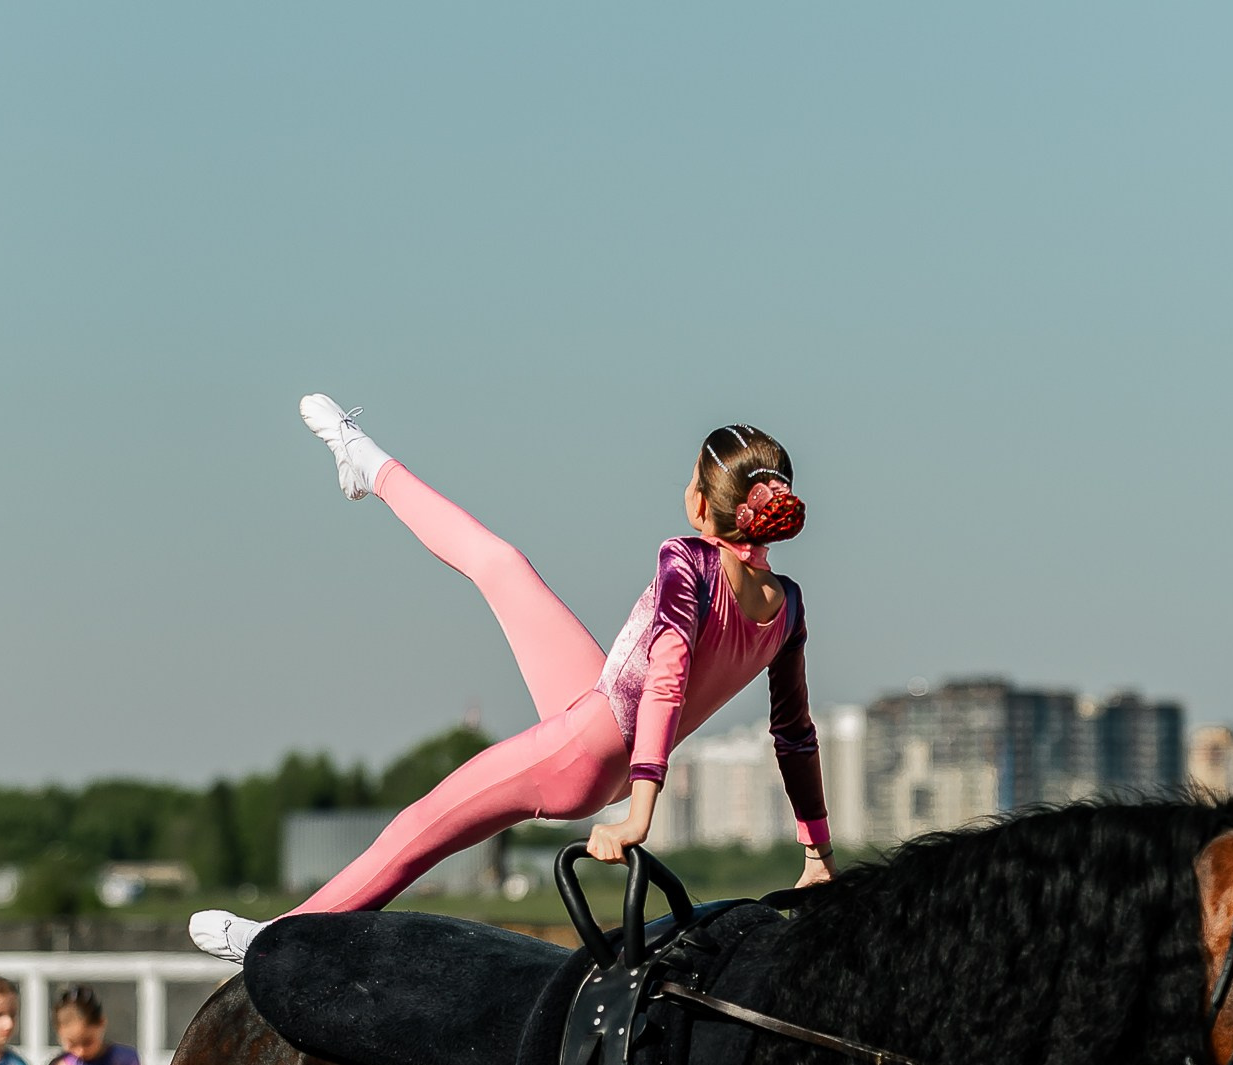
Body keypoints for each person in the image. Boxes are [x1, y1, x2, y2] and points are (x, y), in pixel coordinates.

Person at [190, 404, 832, 956]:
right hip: (595, 707)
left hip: (578, 757)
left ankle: (273, 941)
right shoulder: (788, 605)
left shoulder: (685, 564)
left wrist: (639, 817)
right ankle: (367, 461)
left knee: (424, 825)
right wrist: (817, 853)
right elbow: (794, 735)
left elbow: (665, 681)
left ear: (699, 504)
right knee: (501, 564)